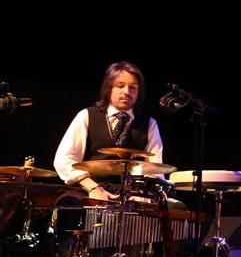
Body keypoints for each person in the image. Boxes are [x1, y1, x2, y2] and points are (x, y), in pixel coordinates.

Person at [54, 61, 164, 197]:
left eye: (133, 87)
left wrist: (144, 194)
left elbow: (155, 169)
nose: (127, 92)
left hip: (133, 195)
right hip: (89, 190)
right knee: (67, 204)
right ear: (109, 88)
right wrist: (92, 188)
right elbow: (64, 159)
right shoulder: (87, 116)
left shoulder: (149, 124)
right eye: (120, 86)